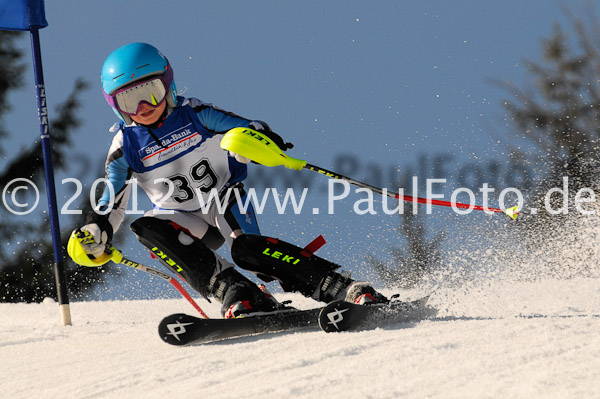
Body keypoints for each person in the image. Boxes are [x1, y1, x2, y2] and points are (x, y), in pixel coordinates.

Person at [67, 42, 387, 318]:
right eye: (128, 101)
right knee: (146, 226)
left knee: (247, 251)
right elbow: (112, 197)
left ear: (168, 85)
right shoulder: (125, 147)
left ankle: (341, 287)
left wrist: (260, 142)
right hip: (182, 217)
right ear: (115, 106)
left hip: (223, 198)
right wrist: (97, 228)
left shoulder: (196, 115)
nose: (143, 108)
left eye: (151, 93)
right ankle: (238, 292)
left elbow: (247, 128)